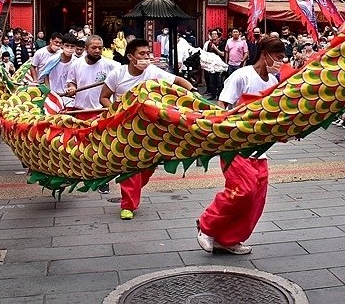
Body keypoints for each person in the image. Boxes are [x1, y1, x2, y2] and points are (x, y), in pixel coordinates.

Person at [197, 37, 285, 255]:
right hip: (234, 145)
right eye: (279, 57)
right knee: (243, 191)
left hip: (259, 149)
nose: (281, 61)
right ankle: (206, 226)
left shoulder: (273, 83)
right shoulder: (242, 75)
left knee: (256, 198)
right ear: (265, 55)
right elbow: (222, 106)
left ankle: (228, 239)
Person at [99, 39, 194, 220]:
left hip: (149, 128)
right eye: (142, 54)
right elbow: (103, 97)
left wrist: (193, 91)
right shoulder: (117, 74)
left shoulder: (152, 71)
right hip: (125, 128)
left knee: (148, 165)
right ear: (130, 57)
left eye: (148, 54)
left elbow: (178, 80)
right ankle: (128, 204)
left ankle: (132, 190)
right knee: (130, 165)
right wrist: (116, 109)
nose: (146, 58)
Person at [65, 35, 117, 110]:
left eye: (100, 48)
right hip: (80, 110)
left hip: (102, 110)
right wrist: (72, 87)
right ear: (86, 48)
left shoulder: (112, 65)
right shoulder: (76, 64)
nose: (97, 51)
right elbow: (71, 81)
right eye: (94, 48)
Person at [44, 35, 78, 105]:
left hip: (69, 98)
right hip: (53, 95)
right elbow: (45, 75)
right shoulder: (53, 60)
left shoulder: (77, 62)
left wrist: (72, 89)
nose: (69, 48)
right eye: (67, 45)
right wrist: (49, 90)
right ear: (62, 45)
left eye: (72, 46)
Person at [203, 29, 225, 99]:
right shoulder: (209, 44)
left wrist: (215, 48)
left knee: (219, 81)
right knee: (211, 81)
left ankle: (219, 96)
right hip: (211, 65)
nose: (214, 35)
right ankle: (213, 95)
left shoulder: (221, 43)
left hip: (219, 65)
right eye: (212, 34)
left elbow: (223, 54)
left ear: (218, 35)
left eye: (215, 34)